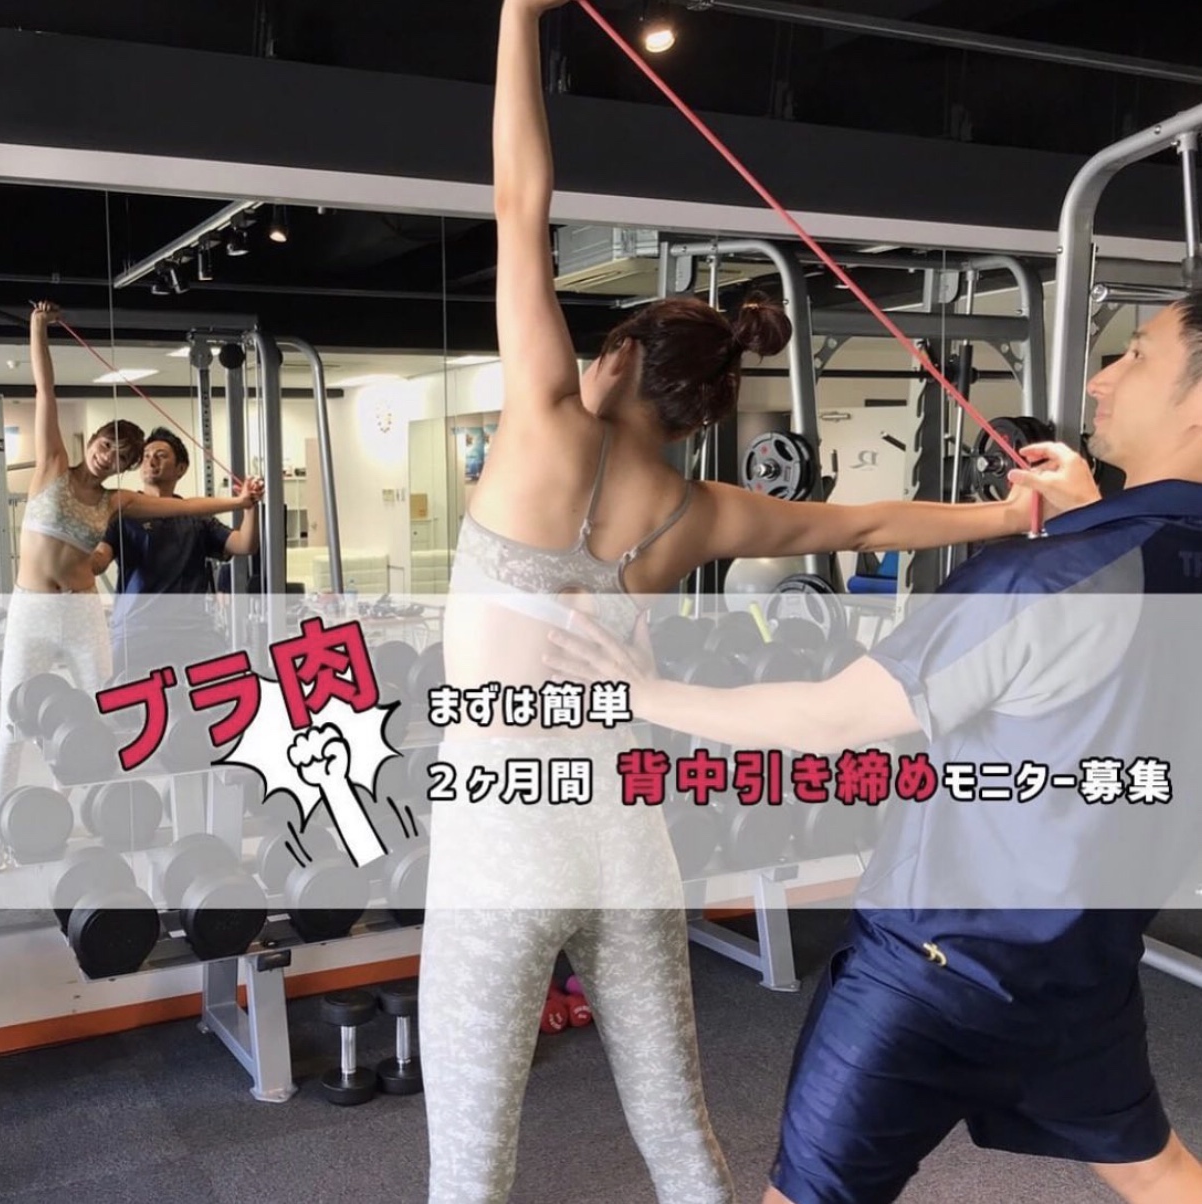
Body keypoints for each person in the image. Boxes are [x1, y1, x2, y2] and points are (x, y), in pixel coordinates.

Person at [419, 3, 1105, 1203]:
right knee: (681, 1137)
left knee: (471, 1166)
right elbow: (869, 525)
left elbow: (520, 200)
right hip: (626, 835)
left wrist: (519, 16)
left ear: (617, 359)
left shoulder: (540, 430)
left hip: (502, 839)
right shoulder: (703, 513)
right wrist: (1010, 515)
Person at [544, 293, 1202, 1204]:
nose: (1102, 376)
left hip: (932, 975)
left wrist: (640, 695)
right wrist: (1091, 514)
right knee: (1157, 1171)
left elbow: (829, 721)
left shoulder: (1045, 578)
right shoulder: (1118, 563)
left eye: (1137, 356)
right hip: (1084, 970)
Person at [0, 302, 262, 807]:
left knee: (100, 716)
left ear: (125, 466)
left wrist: (240, 501)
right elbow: (45, 390)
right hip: (33, 609)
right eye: (105, 446)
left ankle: (81, 805)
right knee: (13, 718)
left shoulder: (115, 501)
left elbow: (185, 507)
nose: (108, 457)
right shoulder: (51, 466)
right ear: (93, 442)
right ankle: (3, 821)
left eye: (121, 456)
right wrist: (37, 327)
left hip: (81, 613)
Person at [91, 426, 260, 673]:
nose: (151, 461)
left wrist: (250, 506)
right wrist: (71, 547)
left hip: (192, 632)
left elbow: (245, 544)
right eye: (146, 456)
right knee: (122, 692)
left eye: (161, 455)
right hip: (137, 632)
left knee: (223, 684)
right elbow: (98, 562)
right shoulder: (123, 516)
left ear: (181, 468)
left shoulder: (196, 517)